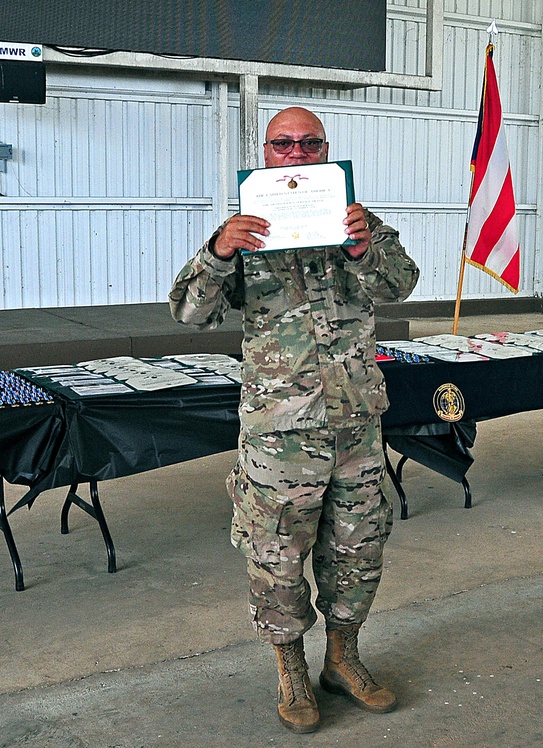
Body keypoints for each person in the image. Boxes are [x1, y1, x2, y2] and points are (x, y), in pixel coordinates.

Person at [169, 106, 419, 733]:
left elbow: (401, 283)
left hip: (356, 426)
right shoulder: (242, 236)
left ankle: (343, 657)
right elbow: (189, 312)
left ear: (326, 150)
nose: (298, 154)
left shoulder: (354, 222)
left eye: (311, 144)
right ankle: (291, 668)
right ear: (266, 153)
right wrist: (220, 250)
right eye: (285, 145)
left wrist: (364, 246)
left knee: (358, 549)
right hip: (280, 435)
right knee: (277, 556)